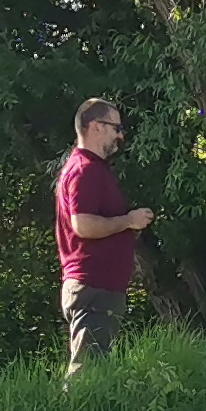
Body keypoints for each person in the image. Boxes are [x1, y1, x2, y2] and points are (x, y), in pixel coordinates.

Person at [56, 98, 155, 376]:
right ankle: (74, 407)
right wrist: (129, 221)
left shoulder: (91, 168)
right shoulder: (85, 170)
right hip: (93, 286)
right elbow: (83, 225)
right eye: (116, 127)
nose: (120, 135)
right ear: (96, 127)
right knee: (86, 374)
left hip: (96, 287)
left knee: (97, 372)